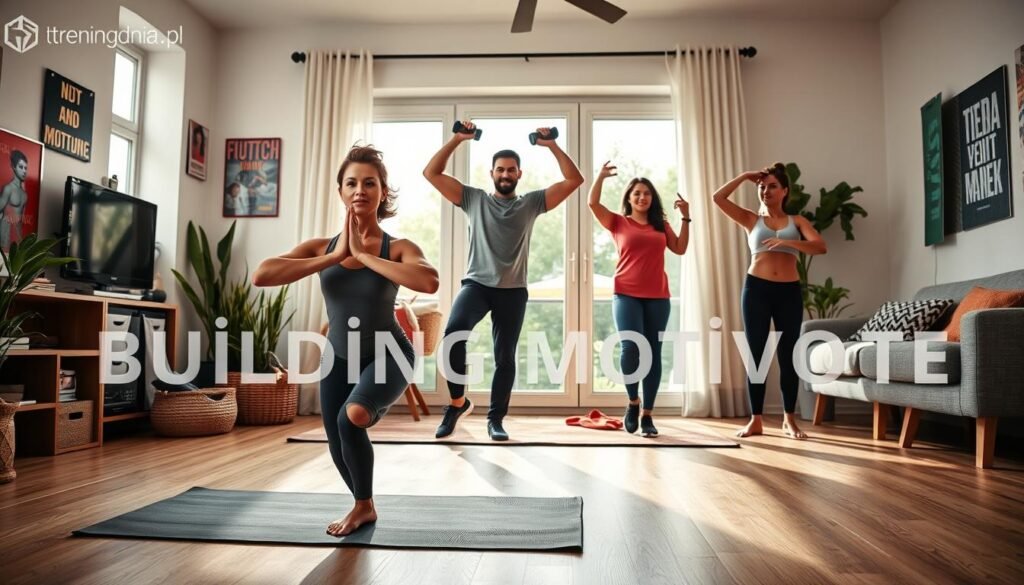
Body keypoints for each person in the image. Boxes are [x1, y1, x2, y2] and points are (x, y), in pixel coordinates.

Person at [253, 145, 439, 537]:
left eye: (369, 183)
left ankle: (362, 501)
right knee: (337, 437)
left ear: (382, 192)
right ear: (340, 191)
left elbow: (429, 280)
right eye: (351, 183)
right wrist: (335, 256)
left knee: (350, 417)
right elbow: (263, 274)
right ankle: (363, 505)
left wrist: (364, 257)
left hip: (390, 353)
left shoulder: (398, 248)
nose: (360, 190)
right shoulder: (321, 247)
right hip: (338, 357)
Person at [424, 121, 584, 441]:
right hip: (476, 285)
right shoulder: (473, 199)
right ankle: (457, 404)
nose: (506, 174)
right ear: (492, 173)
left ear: (519, 174)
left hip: (513, 290)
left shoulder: (532, 203)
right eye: (500, 169)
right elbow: (432, 173)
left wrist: (551, 145)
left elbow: (574, 180)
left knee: (505, 357)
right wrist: (458, 139)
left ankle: (495, 420)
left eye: (511, 170)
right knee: (453, 336)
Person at [712, 162, 826, 439]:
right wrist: (744, 176)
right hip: (757, 291)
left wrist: (789, 243)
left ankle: (789, 420)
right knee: (757, 355)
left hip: (788, 292)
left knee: (788, 356)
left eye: (772, 186)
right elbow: (718, 197)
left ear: (785, 191)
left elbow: (820, 246)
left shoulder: (797, 222)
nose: (766, 191)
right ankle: (756, 420)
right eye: (762, 187)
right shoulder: (751, 220)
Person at [588, 162, 690, 437]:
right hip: (625, 293)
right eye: (637, 193)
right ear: (629, 198)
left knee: (653, 353)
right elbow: (593, 203)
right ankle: (633, 401)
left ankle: (648, 415)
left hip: (658, 296)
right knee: (631, 348)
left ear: (652, 198)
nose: (642, 197)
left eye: (646, 193)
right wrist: (600, 177)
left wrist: (686, 218)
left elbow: (680, 248)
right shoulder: (618, 222)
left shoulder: (661, 225)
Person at [0, 150, 29, 250]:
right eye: (21, 167)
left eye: (25, 168)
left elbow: (21, 219)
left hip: (17, 237)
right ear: (13, 167)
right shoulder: (8, 188)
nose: (24, 171)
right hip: (4, 236)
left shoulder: (24, 195)